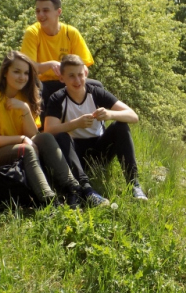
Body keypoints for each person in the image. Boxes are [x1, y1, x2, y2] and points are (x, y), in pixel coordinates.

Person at [0, 51, 82, 207]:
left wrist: (25, 109)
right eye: (16, 72)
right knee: (26, 149)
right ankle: (49, 201)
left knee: (45, 137)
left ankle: (73, 188)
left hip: (15, 148)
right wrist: (21, 139)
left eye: (26, 73)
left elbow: (33, 135)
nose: (22, 77)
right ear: (5, 72)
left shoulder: (25, 97)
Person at [44, 55, 147, 202]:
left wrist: (110, 114)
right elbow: (49, 130)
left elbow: (133, 116)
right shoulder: (57, 98)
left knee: (120, 126)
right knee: (61, 136)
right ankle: (86, 189)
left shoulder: (96, 93)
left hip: (99, 150)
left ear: (85, 74)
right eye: (71, 76)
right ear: (62, 79)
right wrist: (75, 124)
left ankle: (134, 184)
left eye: (80, 75)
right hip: (74, 154)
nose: (77, 80)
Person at [20, 0, 100, 112]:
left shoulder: (71, 33)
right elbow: (27, 68)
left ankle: (97, 126)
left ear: (58, 12)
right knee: (35, 86)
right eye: (37, 11)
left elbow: (83, 65)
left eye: (45, 10)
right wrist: (51, 64)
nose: (40, 15)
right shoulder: (32, 33)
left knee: (95, 86)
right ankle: (41, 127)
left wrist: (79, 72)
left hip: (67, 81)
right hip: (43, 83)